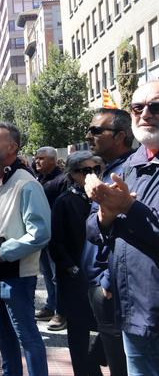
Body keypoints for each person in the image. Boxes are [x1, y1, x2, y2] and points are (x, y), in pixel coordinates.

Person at [85, 80, 159, 374]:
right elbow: (93, 230)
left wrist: (127, 207)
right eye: (138, 108)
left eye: (155, 106)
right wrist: (106, 212)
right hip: (133, 314)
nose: (146, 114)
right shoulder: (126, 167)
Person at [0, 122, 50, 376]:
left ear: (13, 147)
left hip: (17, 277)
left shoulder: (27, 184)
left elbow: (40, 234)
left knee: (27, 338)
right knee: (3, 337)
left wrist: (1, 253)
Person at [83, 107, 133, 376]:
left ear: (119, 136)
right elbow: (96, 227)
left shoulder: (126, 173)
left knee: (121, 365)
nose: (89, 136)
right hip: (100, 284)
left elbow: (125, 234)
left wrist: (108, 280)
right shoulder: (110, 170)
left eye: (96, 130)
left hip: (111, 288)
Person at [49, 151, 105, 376]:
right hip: (74, 277)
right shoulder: (64, 201)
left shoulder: (105, 196)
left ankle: (98, 356)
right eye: (85, 171)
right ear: (73, 174)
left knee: (108, 327)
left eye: (96, 169)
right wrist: (71, 267)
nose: (92, 175)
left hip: (102, 276)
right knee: (78, 332)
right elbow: (56, 242)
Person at [33, 146, 68, 331]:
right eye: (36, 158)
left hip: (55, 236)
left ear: (53, 160)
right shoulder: (38, 178)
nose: (37, 161)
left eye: (41, 158)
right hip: (41, 235)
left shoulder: (61, 180)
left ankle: (62, 312)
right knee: (47, 274)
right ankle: (50, 305)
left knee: (57, 276)